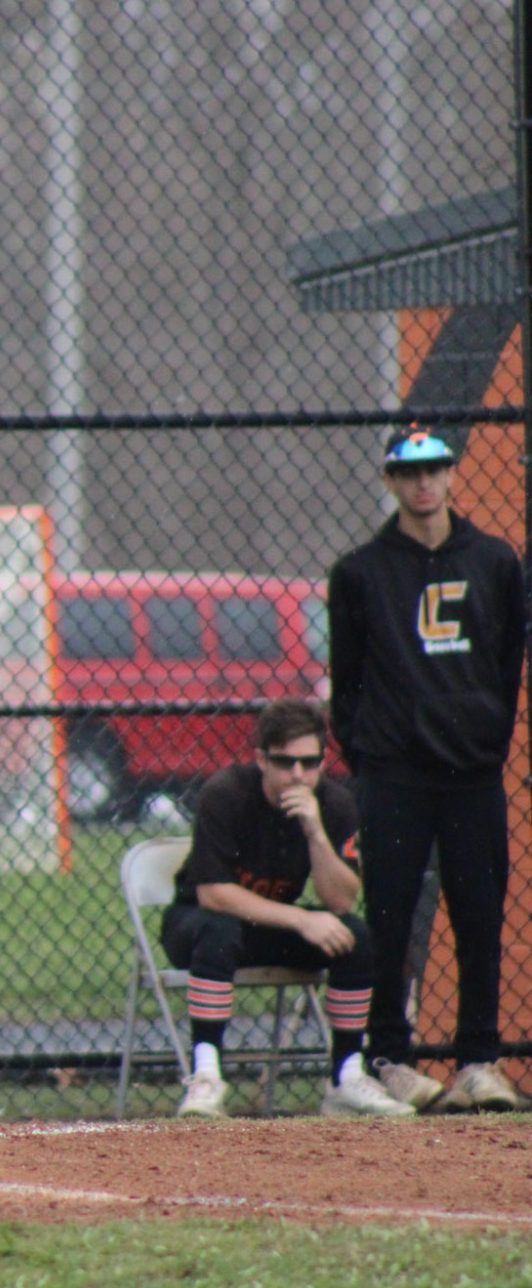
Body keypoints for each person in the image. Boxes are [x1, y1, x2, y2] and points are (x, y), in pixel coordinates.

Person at [329, 425, 526, 1113]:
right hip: (394, 775)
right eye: (409, 472)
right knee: (390, 913)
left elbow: (505, 666)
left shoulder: (496, 562)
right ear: (389, 481)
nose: (424, 483)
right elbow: (345, 680)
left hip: (470, 773)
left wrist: (484, 737)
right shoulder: (359, 572)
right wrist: (374, 753)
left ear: (450, 475)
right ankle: (390, 1055)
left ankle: (478, 1059)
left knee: (477, 912)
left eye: (436, 468)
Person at [164, 698, 412, 1118]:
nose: (299, 774)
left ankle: (345, 1076)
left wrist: (315, 833)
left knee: (353, 934)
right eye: (285, 763)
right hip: (197, 925)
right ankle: (205, 1076)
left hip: (266, 926)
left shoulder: (334, 804)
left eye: (310, 762)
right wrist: (301, 918)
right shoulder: (225, 794)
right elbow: (213, 895)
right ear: (261, 758)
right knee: (219, 929)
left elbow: (340, 899)